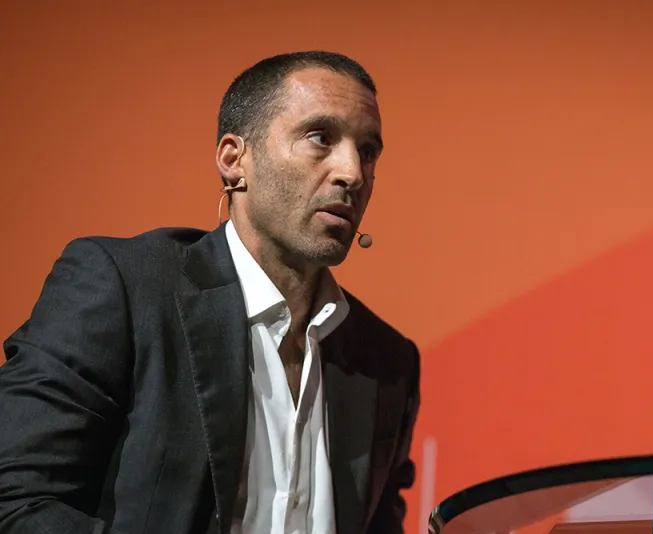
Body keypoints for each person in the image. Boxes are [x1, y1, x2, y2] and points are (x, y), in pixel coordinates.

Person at [0, 51, 421, 534]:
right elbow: (15, 500)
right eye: (320, 138)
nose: (353, 173)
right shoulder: (125, 290)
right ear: (234, 160)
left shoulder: (387, 363)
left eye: (367, 151)